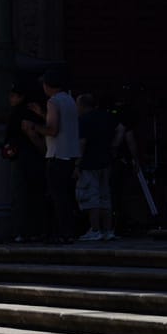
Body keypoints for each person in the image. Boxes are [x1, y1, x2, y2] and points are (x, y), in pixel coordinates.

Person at [35, 67, 81, 242]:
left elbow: (52, 129)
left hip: (57, 154)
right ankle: (70, 231)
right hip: (70, 153)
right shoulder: (69, 99)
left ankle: (61, 232)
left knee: (57, 196)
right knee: (66, 195)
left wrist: (35, 126)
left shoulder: (53, 101)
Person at [5, 84, 47, 242]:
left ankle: (23, 230)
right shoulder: (30, 112)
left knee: (22, 194)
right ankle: (35, 229)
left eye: (13, 95)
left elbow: (31, 134)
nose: (10, 99)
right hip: (32, 157)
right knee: (34, 194)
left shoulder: (19, 114)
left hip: (25, 157)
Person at [75, 93, 119, 241]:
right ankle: (108, 229)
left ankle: (95, 229)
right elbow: (120, 129)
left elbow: (82, 142)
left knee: (92, 197)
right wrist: (114, 146)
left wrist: (77, 163)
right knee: (105, 197)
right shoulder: (106, 117)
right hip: (105, 160)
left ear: (82, 106)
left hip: (89, 162)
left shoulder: (83, 120)